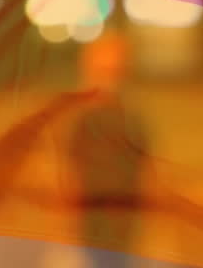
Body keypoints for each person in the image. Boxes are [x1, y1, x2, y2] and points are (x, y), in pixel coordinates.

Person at [68, 32, 150, 268]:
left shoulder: (130, 114)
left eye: (115, 70)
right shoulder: (82, 114)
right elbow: (73, 161)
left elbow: (141, 160)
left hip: (122, 216)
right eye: (102, 70)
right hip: (93, 215)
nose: (109, 78)